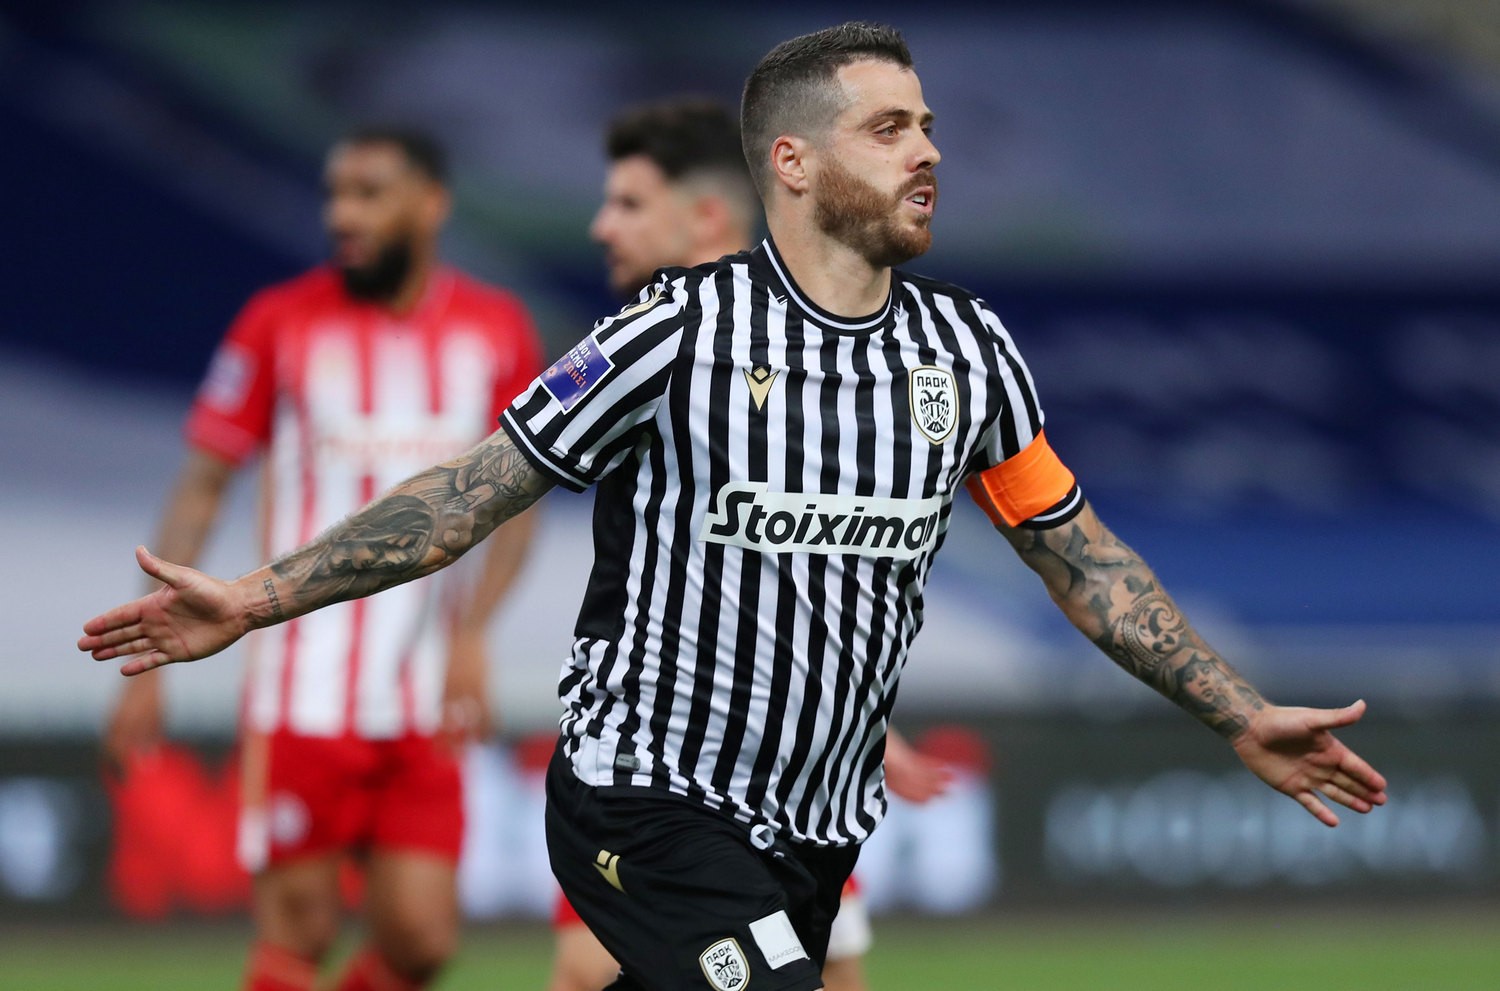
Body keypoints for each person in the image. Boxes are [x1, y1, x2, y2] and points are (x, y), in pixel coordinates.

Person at [81, 23, 1389, 991]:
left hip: (815, 826)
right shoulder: (673, 332)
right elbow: (473, 488)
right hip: (646, 798)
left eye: (930, 125)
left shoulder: (972, 356)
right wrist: (252, 597)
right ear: (794, 162)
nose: (931, 152)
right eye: (892, 129)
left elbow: (1080, 556)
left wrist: (1239, 709)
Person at [100, 126, 544, 991]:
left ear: (431, 204)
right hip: (303, 689)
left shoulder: (495, 330)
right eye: (335, 193)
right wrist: (149, 656)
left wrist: (474, 631)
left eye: (369, 192)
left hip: (425, 689)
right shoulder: (280, 322)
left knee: (421, 941)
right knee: (298, 932)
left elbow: (520, 502)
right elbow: (202, 484)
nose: (342, 214)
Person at [548, 96, 953, 991]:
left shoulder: (826, 359)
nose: (603, 226)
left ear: (706, 214)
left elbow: (806, 577)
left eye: (629, 203)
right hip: (660, 779)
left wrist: (859, 728)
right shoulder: (654, 345)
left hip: (802, 794)